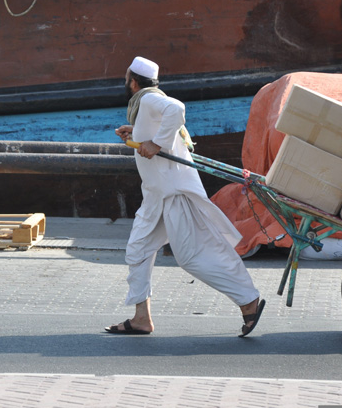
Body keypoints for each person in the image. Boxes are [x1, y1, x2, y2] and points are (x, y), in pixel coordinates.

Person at [106, 56, 265, 337]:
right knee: (138, 250)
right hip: (156, 196)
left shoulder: (149, 100)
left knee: (193, 256)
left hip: (173, 194)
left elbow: (177, 109)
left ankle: (248, 300)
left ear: (132, 82)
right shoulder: (147, 104)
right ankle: (141, 318)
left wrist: (155, 143)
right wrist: (139, 133)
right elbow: (164, 124)